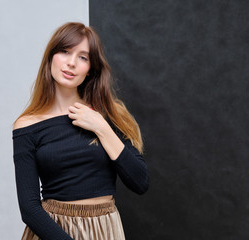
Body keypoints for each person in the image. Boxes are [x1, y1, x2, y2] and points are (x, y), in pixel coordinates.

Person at [12, 22, 149, 240]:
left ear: (90, 71)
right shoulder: (26, 126)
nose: (71, 63)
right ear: (50, 58)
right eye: (65, 51)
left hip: (105, 230)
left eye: (83, 57)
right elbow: (29, 209)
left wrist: (101, 127)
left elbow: (140, 182)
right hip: (53, 233)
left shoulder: (106, 116)